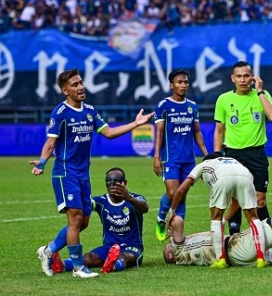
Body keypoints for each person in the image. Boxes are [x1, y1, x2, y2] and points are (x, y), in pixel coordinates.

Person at [29, 68, 153, 278]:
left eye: (81, 83)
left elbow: (109, 133)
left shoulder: (90, 111)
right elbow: (51, 142)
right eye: (75, 85)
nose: (80, 87)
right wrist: (41, 163)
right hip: (65, 173)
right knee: (75, 219)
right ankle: (78, 267)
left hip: (83, 175)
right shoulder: (60, 113)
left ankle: (48, 251)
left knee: (83, 222)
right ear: (65, 91)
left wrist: (135, 124)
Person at [167, 153, 267, 268]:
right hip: (245, 175)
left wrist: (172, 212)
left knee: (216, 218)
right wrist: (225, 220)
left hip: (222, 178)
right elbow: (235, 203)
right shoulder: (231, 160)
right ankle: (260, 259)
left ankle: (221, 260)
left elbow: (180, 191)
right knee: (254, 217)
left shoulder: (204, 164)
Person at [213, 61, 272, 235]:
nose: (243, 80)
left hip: (257, 154)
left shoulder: (261, 95)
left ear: (252, 77)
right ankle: (234, 236)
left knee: (260, 200)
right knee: (235, 200)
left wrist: (260, 91)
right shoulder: (224, 99)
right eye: (239, 76)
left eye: (246, 76)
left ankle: (266, 236)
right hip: (233, 155)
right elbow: (219, 130)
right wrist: (217, 154)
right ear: (232, 78)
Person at [51, 167, 149, 274]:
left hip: (132, 246)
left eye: (116, 181)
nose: (112, 185)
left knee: (125, 257)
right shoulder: (101, 201)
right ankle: (62, 265)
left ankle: (113, 265)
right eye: (109, 182)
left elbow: (144, 208)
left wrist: (128, 197)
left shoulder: (135, 198)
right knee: (89, 257)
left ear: (124, 183)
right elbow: (86, 205)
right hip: (109, 247)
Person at [163, 210, 272, 269]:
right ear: (171, 255)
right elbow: (177, 220)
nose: (168, 245)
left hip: (240, 255)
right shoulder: (179, 251)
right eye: (167, 248)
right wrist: (168, 223)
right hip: (236, 246)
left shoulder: (188, 248)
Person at [152, 69, 208, 242]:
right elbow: (159, 133)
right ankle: (161, 218)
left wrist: (206, 154)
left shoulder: (192, 106)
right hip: (171, 159)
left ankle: (177, 230)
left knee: (182, 194)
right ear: (171, 85)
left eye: (185, 82)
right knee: (172, 192)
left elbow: (197, 132)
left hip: (188, 159)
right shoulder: (164, 106)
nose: (183, 85)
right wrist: (156, 157)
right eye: (179, 82)